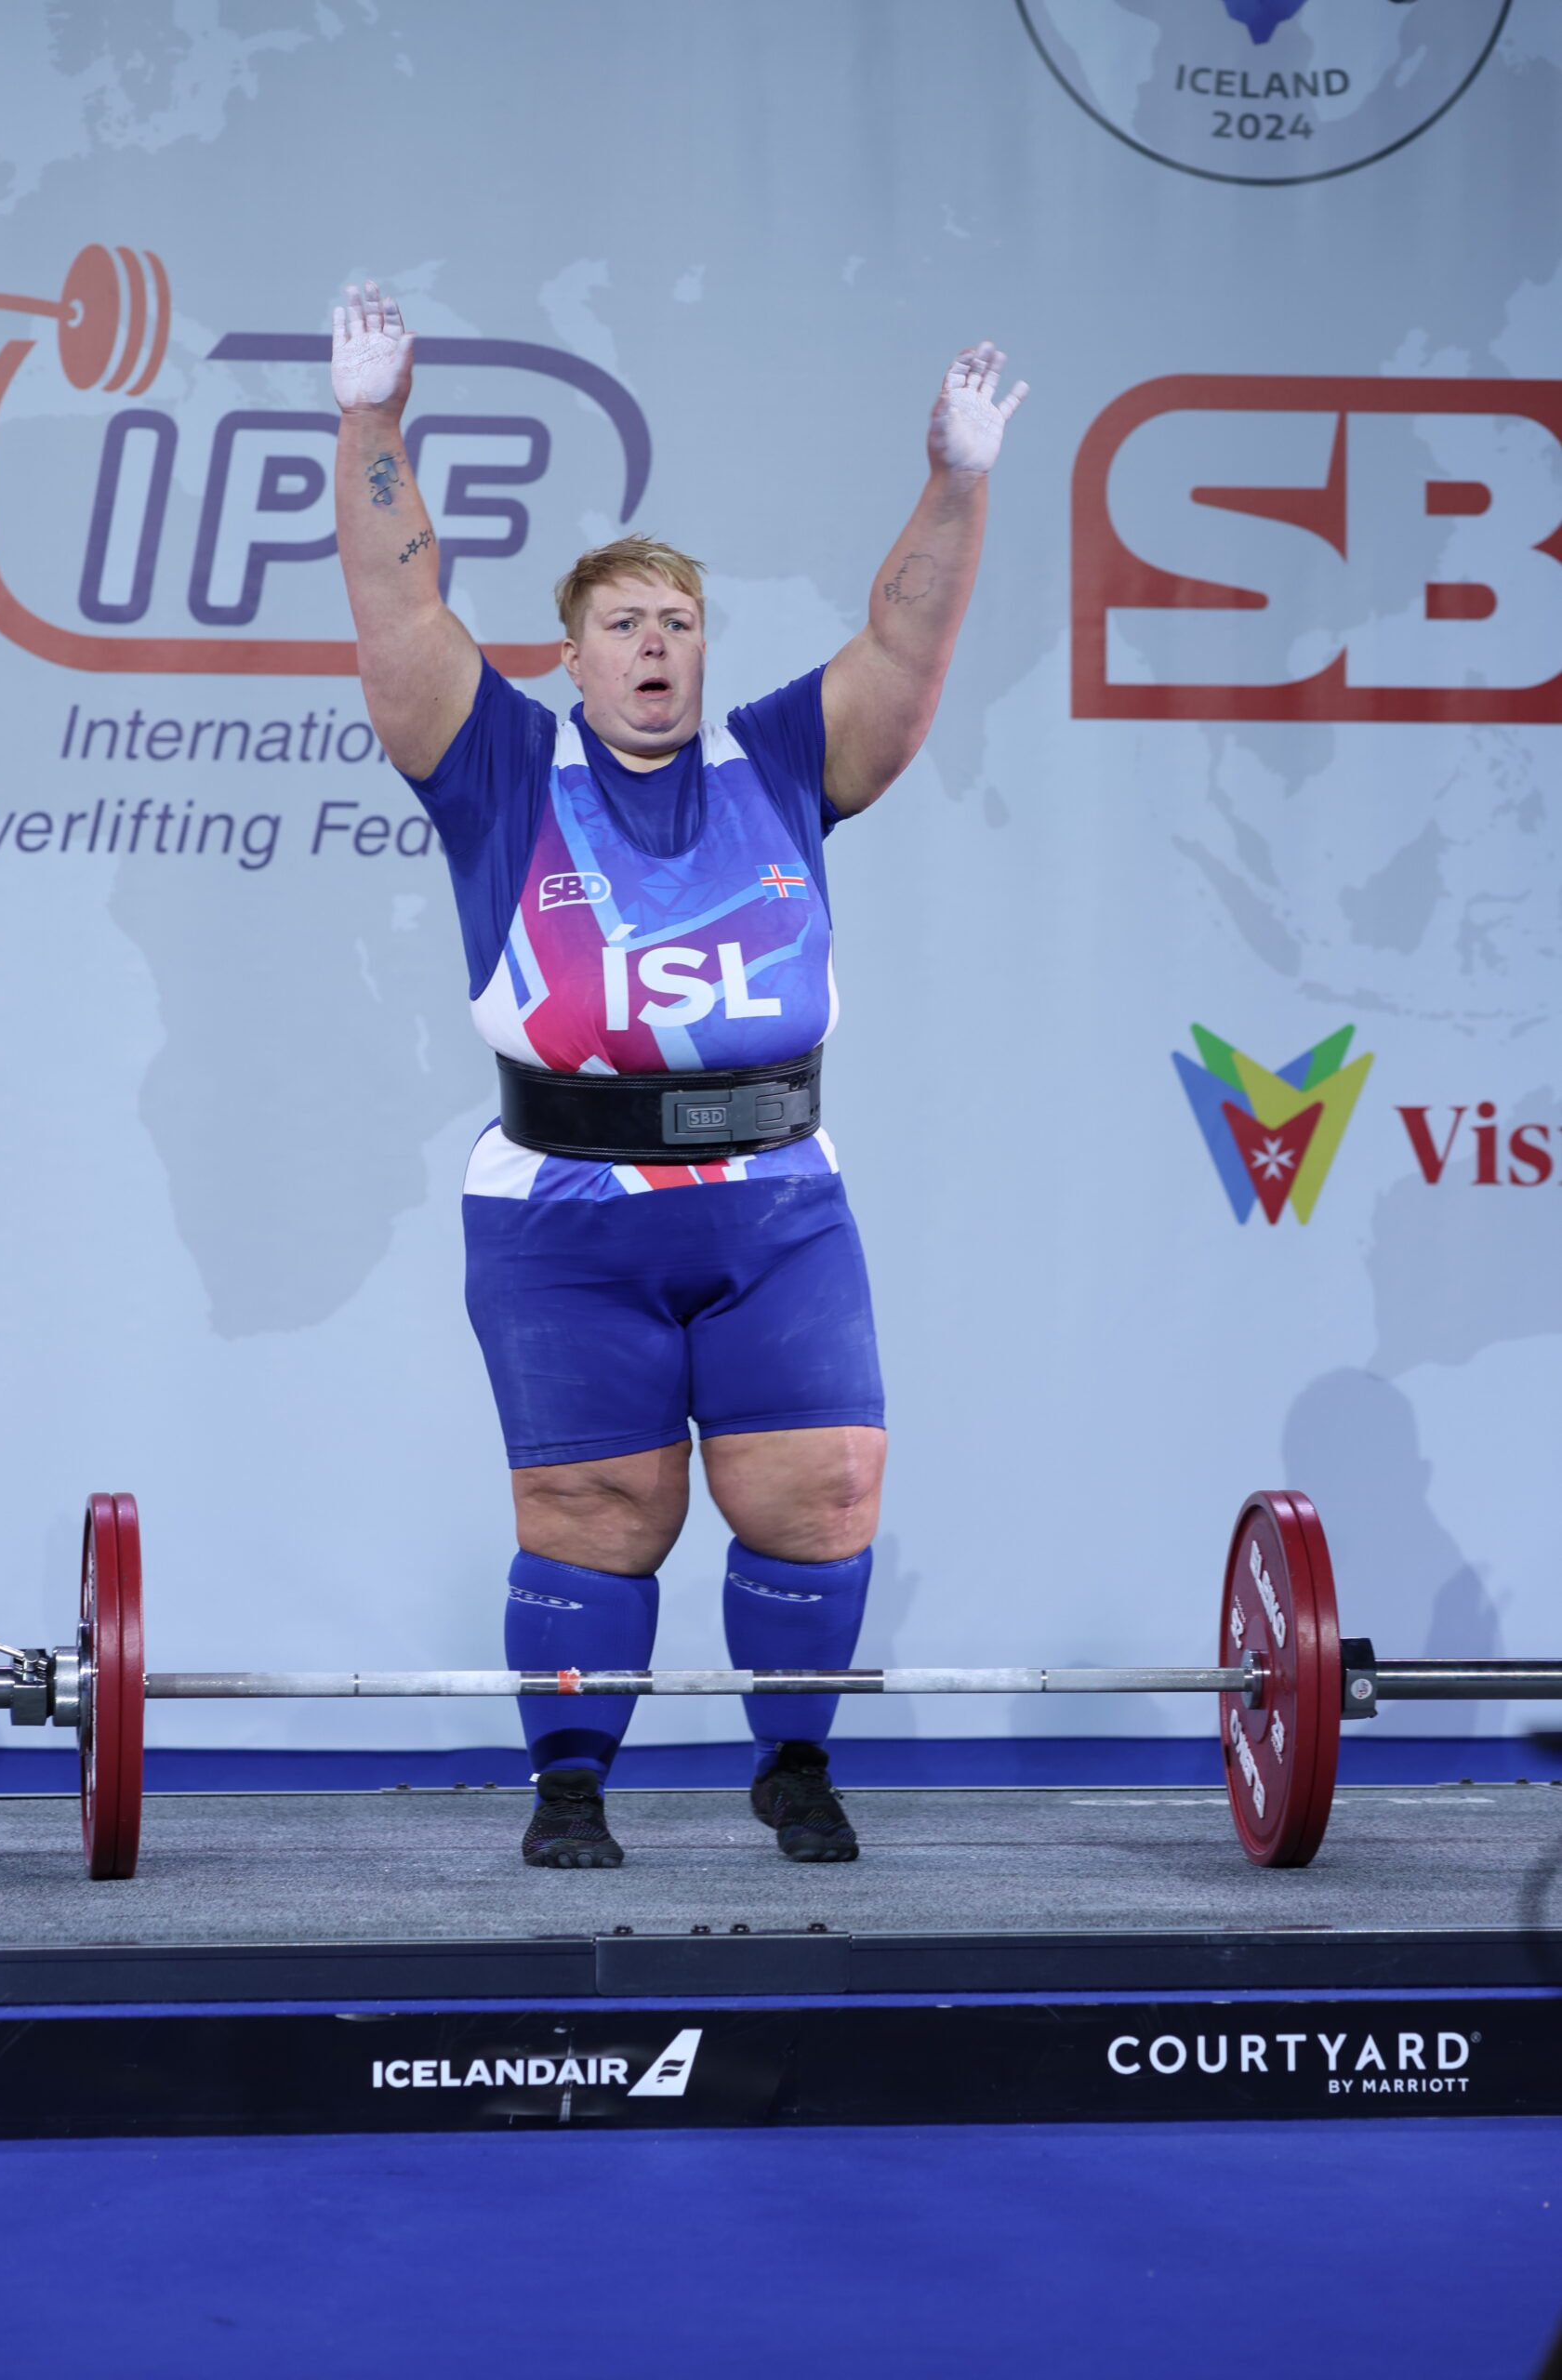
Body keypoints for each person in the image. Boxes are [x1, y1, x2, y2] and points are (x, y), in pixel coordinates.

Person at [331, 281, 1025, 1869]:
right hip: (566, 1216)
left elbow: (907, 640)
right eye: (624, 624)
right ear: (571, 657)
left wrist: (957, 479)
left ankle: (795, 1765)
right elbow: (398, 610)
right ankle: (572, 1787)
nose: (655, 644)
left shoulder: (780, 761)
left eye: (679, 621)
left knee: (823, 1489)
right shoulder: (501, 768)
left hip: (774, 1205)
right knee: (599, 1513)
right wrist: (372, 421)